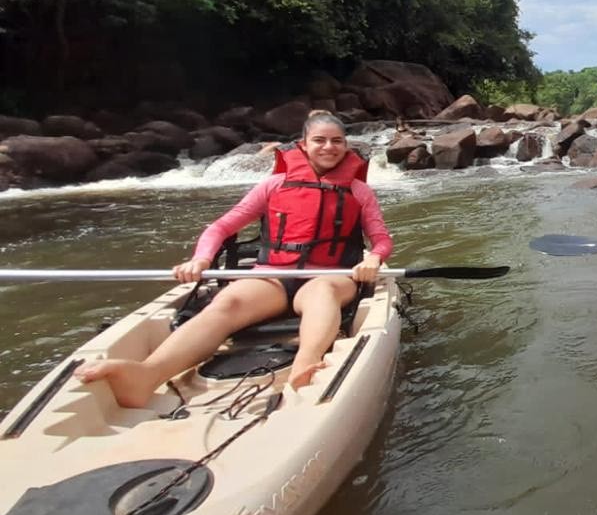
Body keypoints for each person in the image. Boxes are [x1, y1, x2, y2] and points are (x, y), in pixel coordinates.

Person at [76, 111, 393, 407]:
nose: (329, 147)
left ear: (346, 146)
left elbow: (380, 239)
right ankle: (147, 375)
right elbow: (222, 227)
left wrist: (375, 258)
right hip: (273, 275)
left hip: (330, 274)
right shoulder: (273, 185)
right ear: (304, 144)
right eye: (319, 140)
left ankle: (305, 364)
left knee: (321, 294)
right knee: (225, 305)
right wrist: (201, 260)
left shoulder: (358, 190)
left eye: (337, 141)